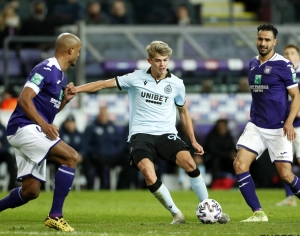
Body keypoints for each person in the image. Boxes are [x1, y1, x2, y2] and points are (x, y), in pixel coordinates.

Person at [73, 40, 230, 224]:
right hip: (141, 135)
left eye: (165, 60)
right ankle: (177, 214)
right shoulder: (135, 78)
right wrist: (76, 89)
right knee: (148, 172)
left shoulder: (177, 84)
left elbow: (183, 112)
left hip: (166, 134)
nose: (162, 64)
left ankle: (209, 207)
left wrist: (193, 141)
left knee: (190, 163)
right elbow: (102, 84)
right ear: (150, 61)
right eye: (157, 60)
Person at [0, 33, 81, 232]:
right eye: (78, 51)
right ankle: (55, 216)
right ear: (70, 50)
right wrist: (44, 126)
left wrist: (65, 101)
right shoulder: (46, 69)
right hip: (23, 127)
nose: (78, 55)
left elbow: (49, 111)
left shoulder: (62, 76)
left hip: (32, 129)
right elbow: (24, 99)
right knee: (70, 157)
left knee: (30, 191)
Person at [233, 24, 300, 222]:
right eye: (260, 39)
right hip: (256, 126)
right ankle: (258, 213)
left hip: (279, 128)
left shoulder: (284, 65)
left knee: (286, 175)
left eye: (267, 40)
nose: (263, 43)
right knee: (239, 165)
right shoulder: (253, 63)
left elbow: (296, 97)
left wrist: (289, 122)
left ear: (274, 42)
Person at [275, 44, 300, 207]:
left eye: (292, 53)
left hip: (299, 125)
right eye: (286, 54)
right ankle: (290, 197)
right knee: (285, 160)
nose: (289, 56)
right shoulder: (282, 74)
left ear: (298, 56)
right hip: (285, 125)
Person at [82, 106, 130, 190]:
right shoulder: (91, 128)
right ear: (98, 115)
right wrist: (96, 152)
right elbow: (86, 144)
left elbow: (121, 142)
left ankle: (121, 187)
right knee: (99, 162)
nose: (103, 116)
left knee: (130, 161)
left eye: (105, 114)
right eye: (101, 114)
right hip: (99, 156)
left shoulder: (113, 127)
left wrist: (116, 152)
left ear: (108, 115)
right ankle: (104, 187)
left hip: (113, 155)